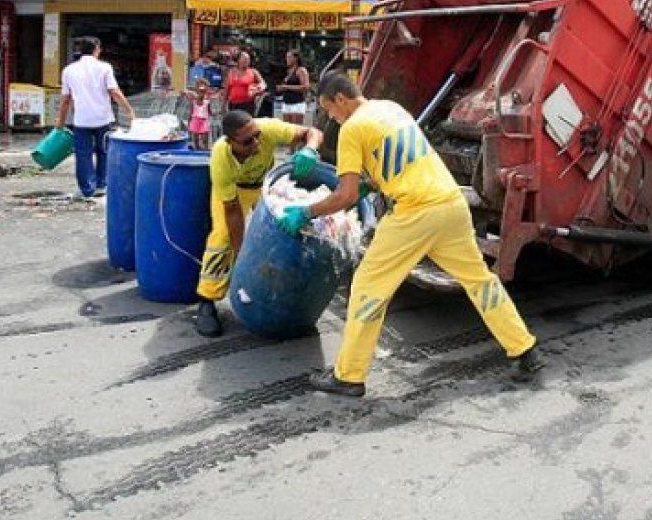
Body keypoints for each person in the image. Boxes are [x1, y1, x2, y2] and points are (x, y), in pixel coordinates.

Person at [278, 71, 543, 397]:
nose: (330, 117)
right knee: (479, 281)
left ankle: (349, 375)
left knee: (368, 285)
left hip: (415, 213)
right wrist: (368, 185)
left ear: (341, 99)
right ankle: (524, 350)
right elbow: (401, 160)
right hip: (451, 204)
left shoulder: (352, 129)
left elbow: (344, 196)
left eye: (329, 109)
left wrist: (306, 211)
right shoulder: (390, 108)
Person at [194, 109, 325, 337]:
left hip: (263, 186)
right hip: (234, 193)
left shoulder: (267, 129)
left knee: (279, 233)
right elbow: (233, 211)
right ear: (230, 142)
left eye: (257, 136)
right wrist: (240, 255)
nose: (256, 143)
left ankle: (270, 291)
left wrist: (310, 148)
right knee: (222, 238)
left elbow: (312, 131)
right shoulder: (221, 157)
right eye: (247, 141)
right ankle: (207, 299)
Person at [55, 36, 136, 200]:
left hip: (81, 120)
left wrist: (60, 123)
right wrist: (130, 111)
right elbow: (115, 92)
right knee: (104, 152)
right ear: (96, 50)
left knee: (83, 155)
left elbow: (65, 100)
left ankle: (86, 189)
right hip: (103, 119)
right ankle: (101, 184)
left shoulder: (69, 70)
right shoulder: (104, 67)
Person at [222, 51, 266, 116]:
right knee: (234, 124)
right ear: (238, 60)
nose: (247, 61)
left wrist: (258, 89)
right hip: (233, 104)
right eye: (245, 59)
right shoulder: (231, 72)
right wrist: (223, 104)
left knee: (246, 124)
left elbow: (263, 84)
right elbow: (227, 89)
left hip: (247, 104)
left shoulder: (253, 72)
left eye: (248, 59)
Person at [275, 49, 310, 124]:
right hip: (286, 103)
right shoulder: (288, 71)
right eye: (286, 57)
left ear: (295, 58)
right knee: (287, 129)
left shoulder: (301, 70)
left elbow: (306, 87)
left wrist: (286, 87)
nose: (287, 59)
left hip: (297, 104)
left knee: (296, 130)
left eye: (289, 57)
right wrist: (281, 88)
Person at [184, 78, 213, 151]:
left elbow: (210, 112)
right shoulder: (193, 101)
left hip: (204, 121)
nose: (202, 93)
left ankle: (206, 151)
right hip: (195, 120)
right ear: (197, 91)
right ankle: (197, 151)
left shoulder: (207, 102)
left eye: (203, 91)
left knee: (205, 139)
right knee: (195, 139)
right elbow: (191, 112)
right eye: (200, 91)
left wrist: (216, 113)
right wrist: (188, 123)